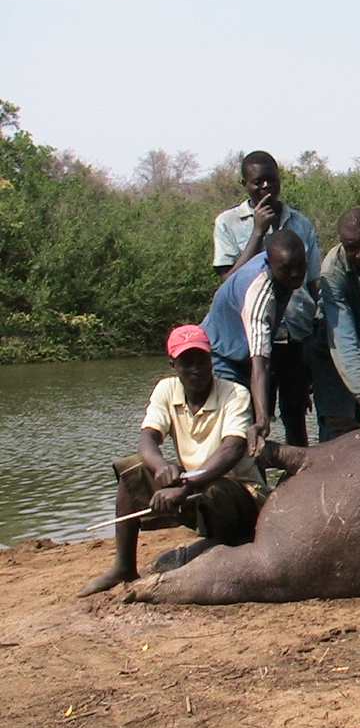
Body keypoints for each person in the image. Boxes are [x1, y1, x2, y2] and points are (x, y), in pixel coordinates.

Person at [77, 325, 270, 597]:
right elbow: (147, 440)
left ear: (211, 359)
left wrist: (186, 486)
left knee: (216, 489)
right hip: (194, 488)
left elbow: (232, 450)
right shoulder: (166, 390)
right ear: (173, 365)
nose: (196, 369)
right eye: (186, 363)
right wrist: (162, 469)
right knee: (132, 469)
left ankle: (227, 544)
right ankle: (124, 567)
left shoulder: (235, 393)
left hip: (239, 494)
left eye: (201, 360)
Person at [212, 150, 322, 445]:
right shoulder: (228, 223)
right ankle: (256, 484)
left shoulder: (301, 223)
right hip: (249, 340)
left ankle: (297, 482)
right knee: (250, 416)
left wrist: (312, 343)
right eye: (257, 182)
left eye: (271, 181)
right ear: (245, 184)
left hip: (293, 336)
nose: (265, 188)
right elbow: (229, 282)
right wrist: (258, 233)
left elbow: (312, 285)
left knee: (296, 414)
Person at [202, 229, 308, 452]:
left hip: (243, 350)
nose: (296, 274)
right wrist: (262, 418)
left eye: (300, 265)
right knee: (240, 427)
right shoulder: (261, 294)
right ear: (270, 263)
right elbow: (261, 363)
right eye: (286, 269)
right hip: (222, 355)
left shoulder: (280, 262)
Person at [311, 208, 360, 440]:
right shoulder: (333, 271)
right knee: (340, 430)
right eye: (352, 248)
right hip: (332, 350)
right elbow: (344, 341)